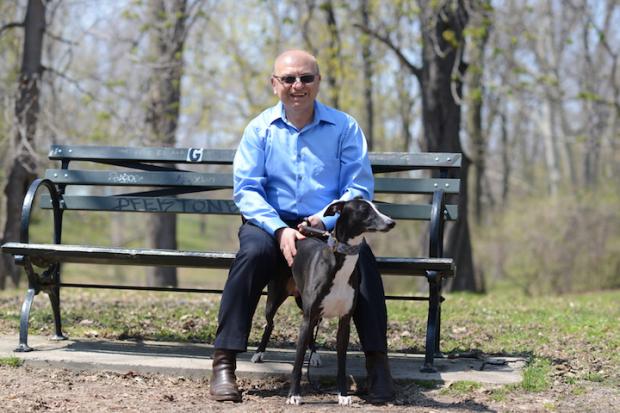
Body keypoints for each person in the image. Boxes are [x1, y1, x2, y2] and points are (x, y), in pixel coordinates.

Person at [209, 49, 395, 404]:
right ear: (274, 83)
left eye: (306, 78)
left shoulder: (344, 127)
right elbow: (246, 189)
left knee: (361, 261)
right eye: (289, 79)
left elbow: (357, 188)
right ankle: (224, 363)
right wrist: (280, 230)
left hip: (325, 227)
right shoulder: (259, 128)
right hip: (269, 223)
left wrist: (324, 219)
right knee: (251, 256)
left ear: (318, 82)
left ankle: (378, 366)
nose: (298, 85)